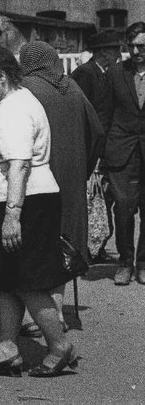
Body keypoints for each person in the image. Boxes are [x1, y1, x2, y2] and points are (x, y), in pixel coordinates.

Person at [0, 43, 77, 378]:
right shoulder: (13, 102)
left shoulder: (15, 108)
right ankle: (7, 348)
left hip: (21, 203)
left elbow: (20, 164)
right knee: (7, 281)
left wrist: (12, 216)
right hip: (12, 202)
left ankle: (59, 345)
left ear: (1, 76)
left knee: (28, 281)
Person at [19, 41, 103, 332]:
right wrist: (82, 169)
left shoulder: (25, 89)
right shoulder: (73, 88)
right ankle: (56, 311)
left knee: (35, 243)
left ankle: (34, 316)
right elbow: (97, 132)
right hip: (71, 179)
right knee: (64, 241)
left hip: (36, 177)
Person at [71, 30, 122, 263]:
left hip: (103, 147)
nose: (118, 54)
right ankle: (83, 249)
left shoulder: (106, 73)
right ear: (103, 51)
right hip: (88, 148)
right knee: (89, 199)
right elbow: (81, 113)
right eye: (115, 49)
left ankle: (96, 247)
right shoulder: (85, 73)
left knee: (101, 200)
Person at [101, 22, 145, 286]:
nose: (136, 51)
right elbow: (104, 114)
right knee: (124, 210)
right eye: (132, 46)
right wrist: (100, 154)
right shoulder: (116, 73)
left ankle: (143, 263)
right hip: (121, 152)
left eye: (142, 46)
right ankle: (125, 263)